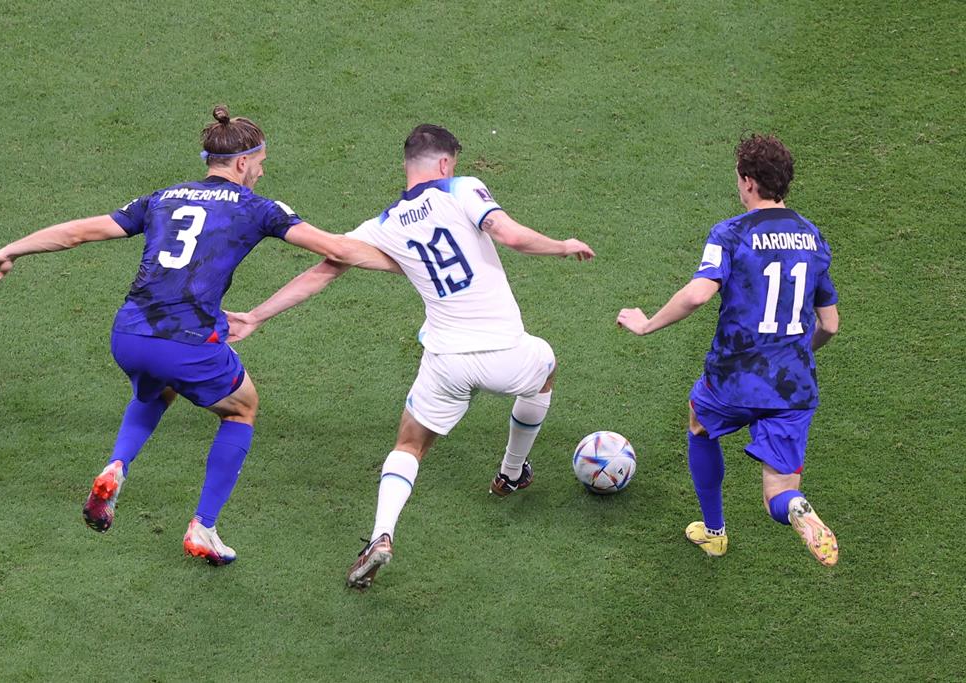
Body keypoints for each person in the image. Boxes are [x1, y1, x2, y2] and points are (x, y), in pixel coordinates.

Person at [0, 105, 396, 566]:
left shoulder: (161, 198)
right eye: (260, 163)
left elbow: (77, 233)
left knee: (160, 388)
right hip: (186, 342)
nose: (261, 171)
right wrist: (411, 263)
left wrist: (10, 249)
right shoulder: (258, 208)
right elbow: (338, 250)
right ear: (242, 163)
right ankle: (204, 527)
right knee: (241, 409)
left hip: (129, 335)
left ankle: (116, 466)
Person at [228, 124, 595, 587]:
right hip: (505, 351)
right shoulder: (462, 189)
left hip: (445, 362)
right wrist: (563, 246)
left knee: (409, 445)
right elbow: (511, 236)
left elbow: (322, 272)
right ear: (444, 163)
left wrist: (256, 315)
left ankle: (380, 536)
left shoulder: (382, 226)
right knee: (545, 369)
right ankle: (511, 472)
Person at [617, 133, 840, 566]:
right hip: (793, 386)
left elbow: (698, 294)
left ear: (749, 182)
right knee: (778, 493)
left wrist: (646, 324)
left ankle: (714, 532)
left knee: (700, 423)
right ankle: (796, 508)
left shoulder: (732, 233)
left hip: (734, 378)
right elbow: (829, 324)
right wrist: (801, 353)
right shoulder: (812, 238)